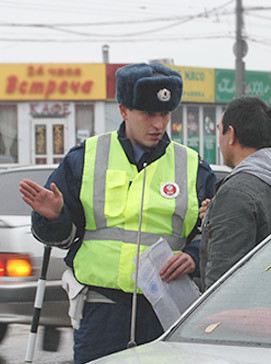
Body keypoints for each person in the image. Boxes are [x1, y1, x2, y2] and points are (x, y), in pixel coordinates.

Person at [19, 63, 216, 364]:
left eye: (164, 114)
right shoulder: (83, 159)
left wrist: (194, 255)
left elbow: (213, 234)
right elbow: (60, 236)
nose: (158, 124)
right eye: (148, 113)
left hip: (165, 312)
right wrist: (55, 217)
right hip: (101, 309)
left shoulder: (192, 166)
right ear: (123, 111)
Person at [199, 96, 271, 291]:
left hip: (247, 314)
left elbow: (222, 284)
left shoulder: (235, 195)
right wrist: (215, 214)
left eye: (220, 131)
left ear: (231, 135)